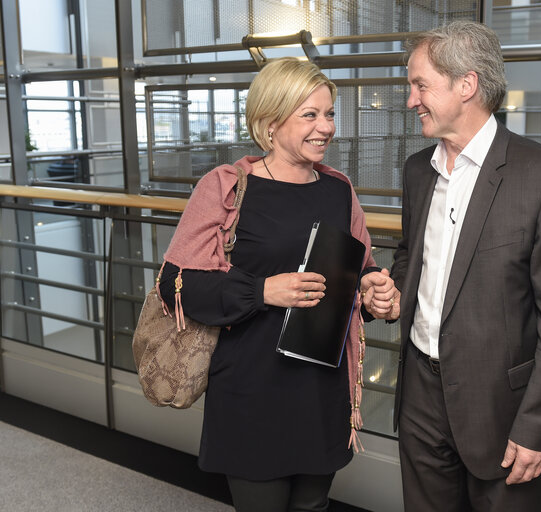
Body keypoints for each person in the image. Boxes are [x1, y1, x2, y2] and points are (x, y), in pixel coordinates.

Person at [366, 21, 541, 511]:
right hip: (421, 395)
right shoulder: (416, 171)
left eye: (420, 85)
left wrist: (538, 426)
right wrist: (394, 291)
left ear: (466, 85)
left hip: (504, 411)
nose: (410, 100)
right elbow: (412, 256)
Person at [158, 57, 396, 511]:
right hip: (252, 389)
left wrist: (371, 289)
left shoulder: (338, 189)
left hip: (320, 389)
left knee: (313, 507)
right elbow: (177, 286)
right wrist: (262, 291)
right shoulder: (227, 187)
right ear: (269, 122)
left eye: (329, 114)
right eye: (310, 114)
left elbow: (357, 267)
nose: (325, 127)